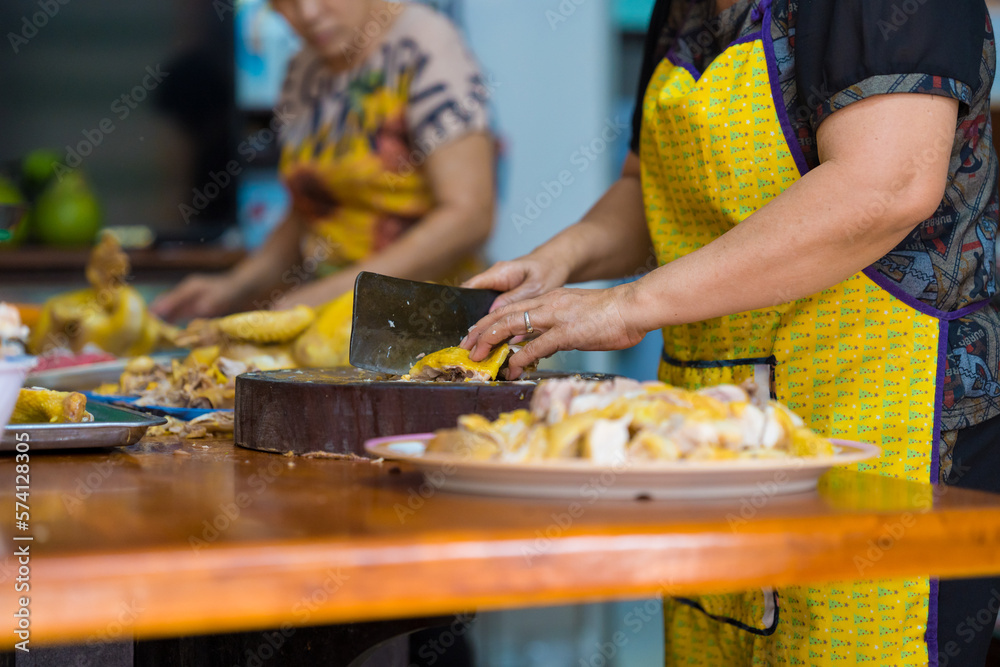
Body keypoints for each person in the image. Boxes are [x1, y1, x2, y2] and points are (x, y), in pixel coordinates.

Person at [461, 0, 1000, 664]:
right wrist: (562, 258)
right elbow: (647, 186)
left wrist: (631, 305)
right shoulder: (683, 8)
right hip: (712, 444)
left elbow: (884, 185)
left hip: (878, 420)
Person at [153, 0, 495, 321]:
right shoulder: (303, 69)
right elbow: (311, 211)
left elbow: (469, 215)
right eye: (284, 1)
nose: (308, 13)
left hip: (429, 319)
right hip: (337, 323)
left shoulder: (424, 44)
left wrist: (332, 293)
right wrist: (234, 286)